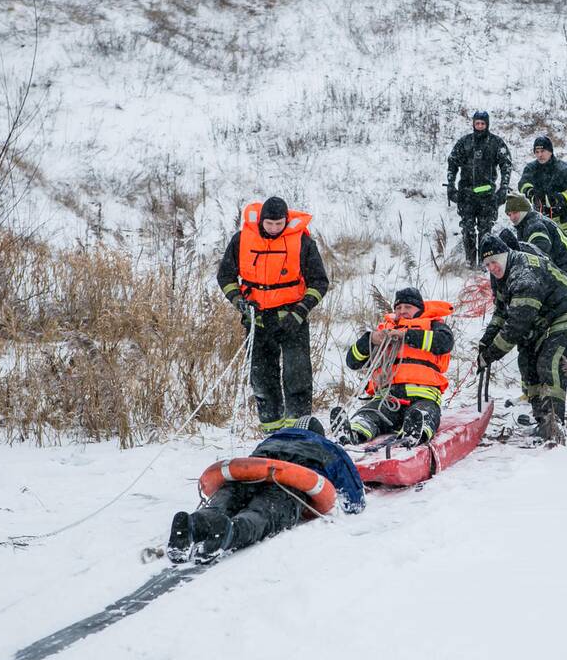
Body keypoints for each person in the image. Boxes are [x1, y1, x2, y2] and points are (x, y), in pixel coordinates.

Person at [167, 417, 364, 564]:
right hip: (288, 484)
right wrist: (355, 503)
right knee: (262, 514)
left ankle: (195, 522)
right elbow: (352, 490)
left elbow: (254, 462)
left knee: (230, 497)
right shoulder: (325, 445)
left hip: (247, 475)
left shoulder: (273, 438)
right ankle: (231, 531)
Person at [217, 197, 329, 432]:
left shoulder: (303, 242)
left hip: (292, 320)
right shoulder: (241, 240)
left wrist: (300, 311)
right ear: (261, 221)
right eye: (270, 224)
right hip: (257, 321)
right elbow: (225, 276)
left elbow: (319, 282)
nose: (274, 229)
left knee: (297, 376)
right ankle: (271, 430)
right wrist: (239, 302)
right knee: (261, 379)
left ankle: (297, 431)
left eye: (279, 224)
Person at [477, 235, 567, 443]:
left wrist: (491, 354)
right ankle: (541, 419)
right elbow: (502, 313)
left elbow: (516, 326)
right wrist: (486, 341)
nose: (492, 267)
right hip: (546, 317)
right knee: (527, 360)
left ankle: (554, 424)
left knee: (549, 362)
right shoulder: (502, 275)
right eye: (487, 264)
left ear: (506, 254)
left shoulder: (524, 274)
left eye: (494, 261)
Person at [336, 287, 454, 447]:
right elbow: (352, 362)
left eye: (408, 307)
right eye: (398, 308)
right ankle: (354, 433)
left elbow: (445, 342)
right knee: (370, 413)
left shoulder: (434, 326)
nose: (402, 311)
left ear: (419, 309)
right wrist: (369, 341)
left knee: (423, 414)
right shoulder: (384, 332)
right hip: (388, 398)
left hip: (423, 397)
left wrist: (407, 336)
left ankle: (415, 433)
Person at [446, 110, 513, 266]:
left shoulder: (496, 143)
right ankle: (470, 263)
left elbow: (506, 165)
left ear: (487, 124)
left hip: (487, 197)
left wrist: (504, 187)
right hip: (466, 195)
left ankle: (485, 265)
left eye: (483, 123)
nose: (480, 126)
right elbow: (452, 163)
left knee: (485, 232)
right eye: (477, 123)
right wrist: (450, 185)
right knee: (467, 230)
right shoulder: (464, 142)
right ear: (473, 124)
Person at [503, 192, 567, 286]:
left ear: (524, 210)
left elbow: (540, 249)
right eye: (509, 215)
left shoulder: (534, 224)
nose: (512, 218)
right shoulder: (527, 223)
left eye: (515, 213)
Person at [518, 135, 567, 239]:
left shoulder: (563, 169)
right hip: (539, 219)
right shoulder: (531, 168)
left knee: (561, 252)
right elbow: (523, 183)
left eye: (543, 151)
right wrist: (531, 193)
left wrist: (558, 199)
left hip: (562, 222)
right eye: (537, 152)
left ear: (551, 151)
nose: (540, 155)